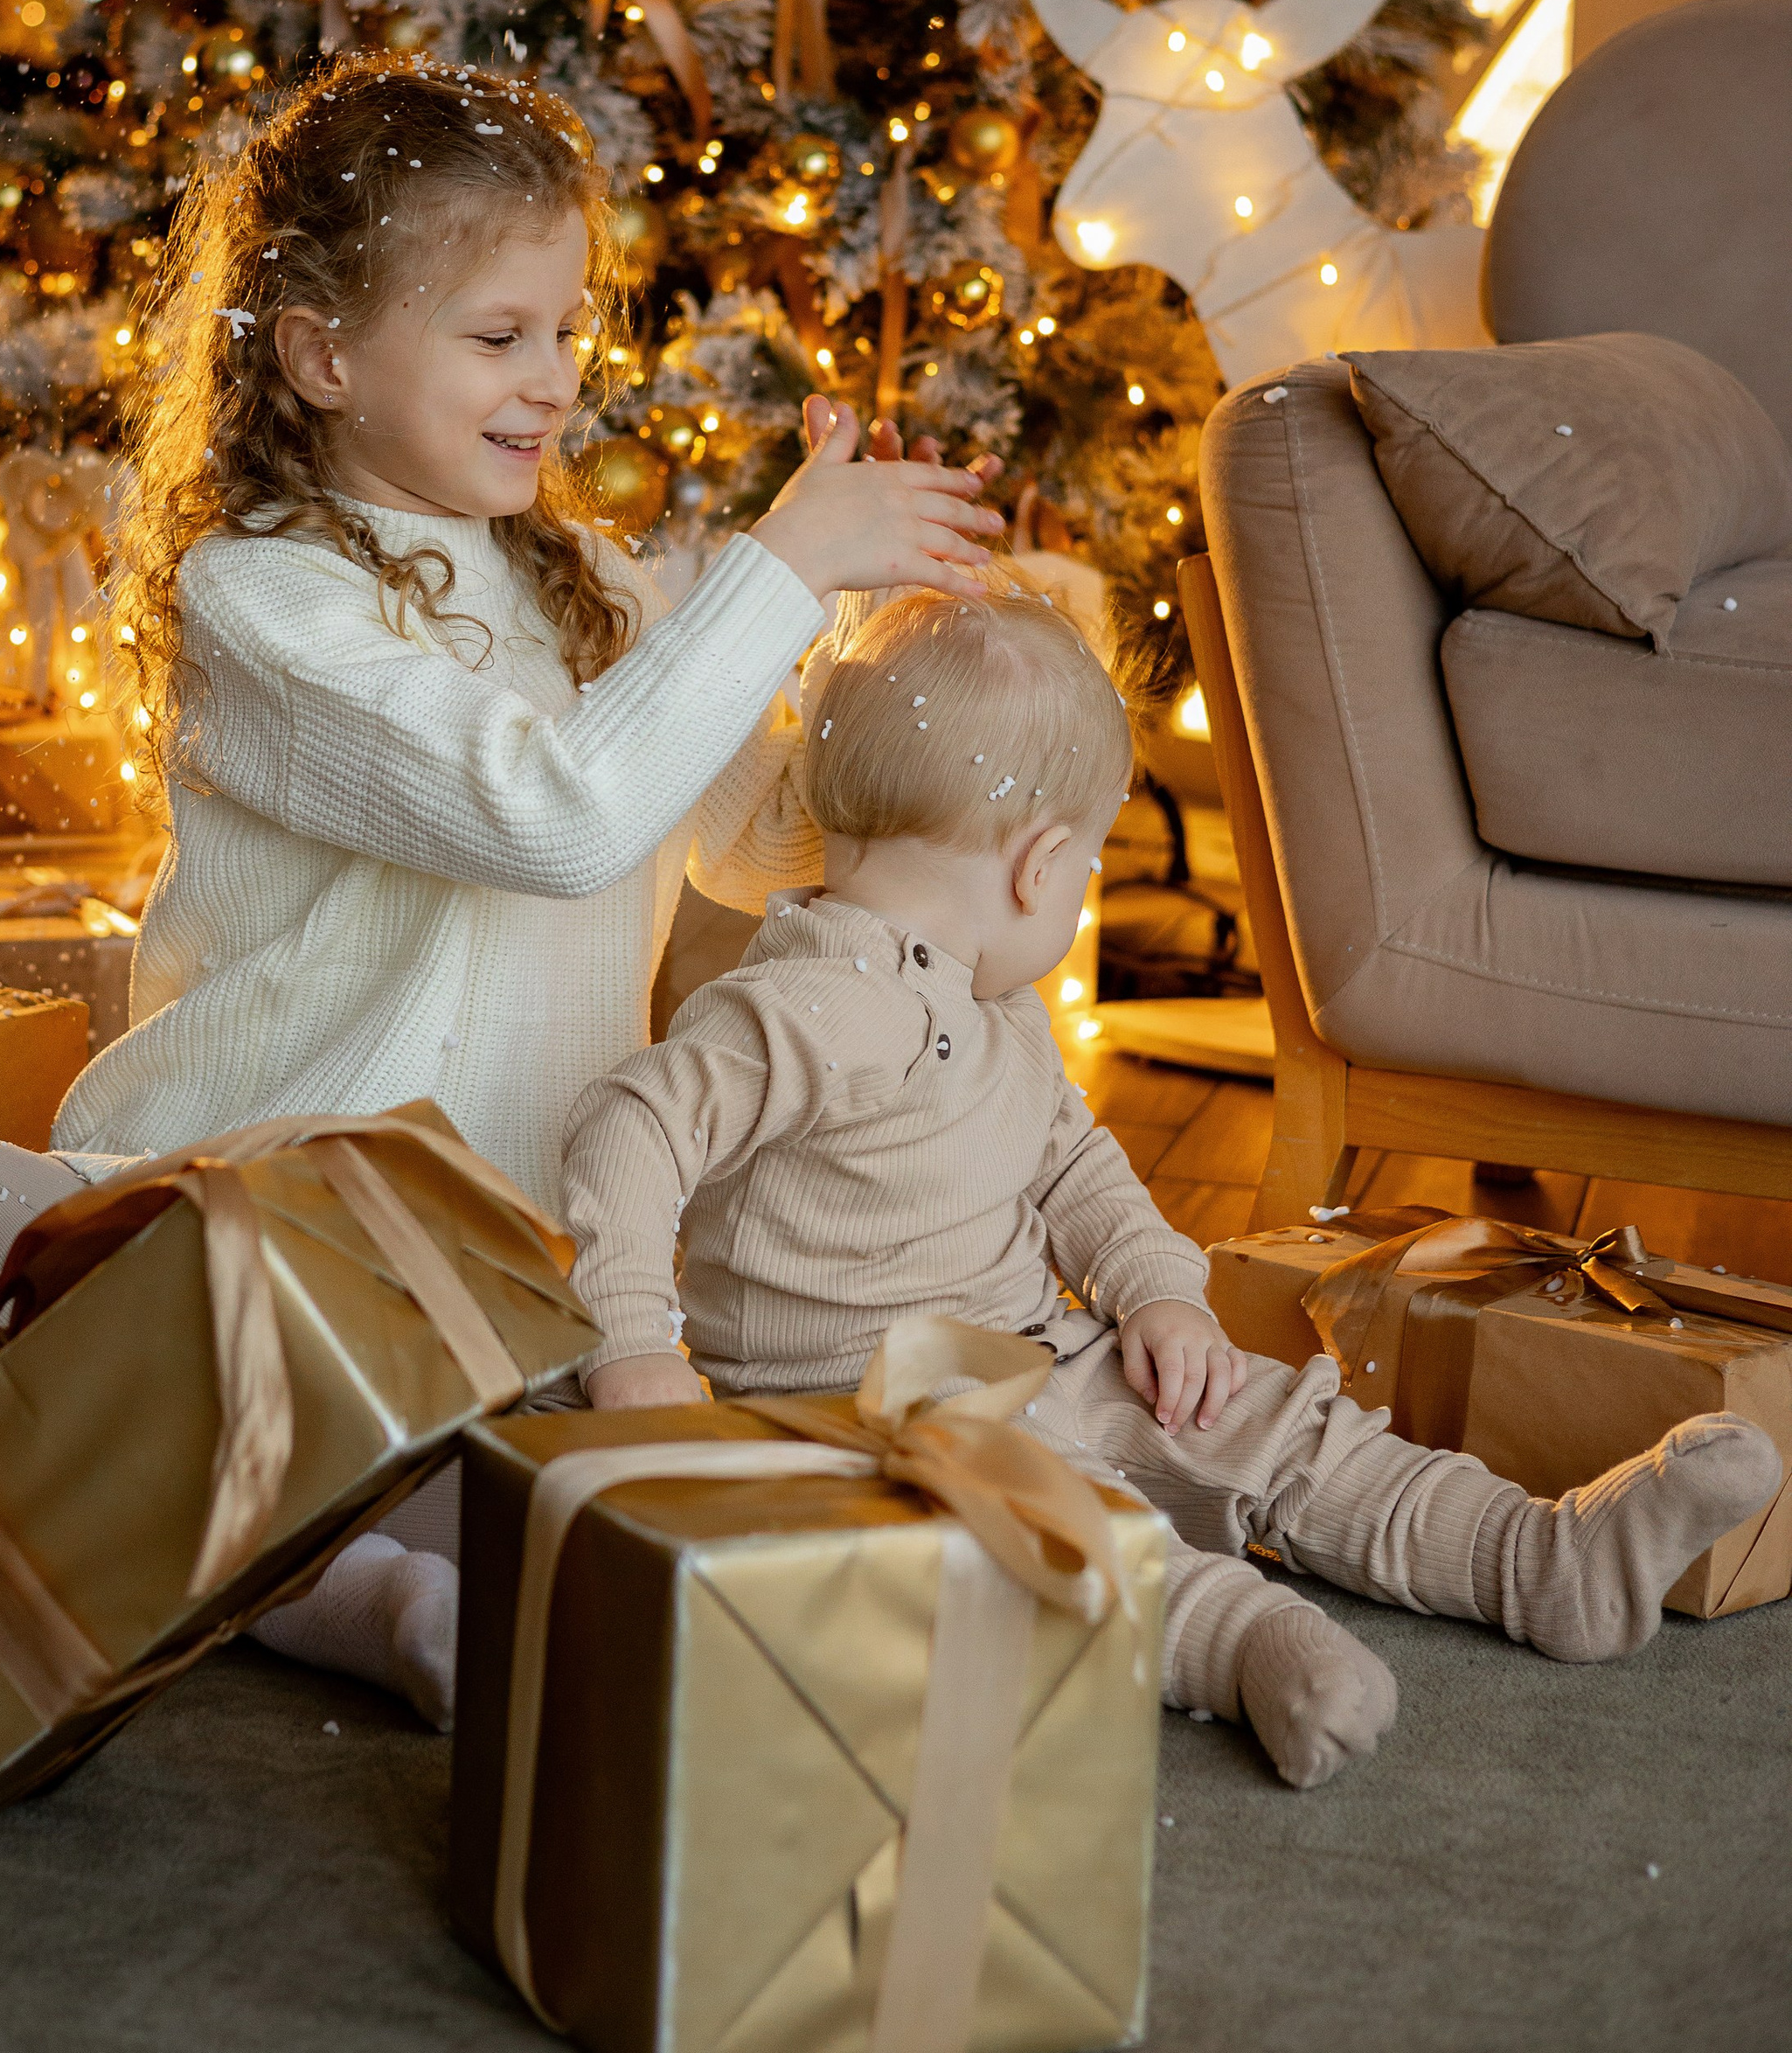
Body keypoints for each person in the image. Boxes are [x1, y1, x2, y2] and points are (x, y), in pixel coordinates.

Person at [0, 53, 1000, 1721]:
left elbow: (754, 845)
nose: (556, 382)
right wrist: (776, 569)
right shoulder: (266, 604)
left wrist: (849, 656)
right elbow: (557, 816)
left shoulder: (595, 581)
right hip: (208, 1221)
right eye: (499, 336)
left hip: (484, 1289)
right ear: (322, 355)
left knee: (528, 1482)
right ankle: (288, 1570)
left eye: (570, 332)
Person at [559, 581, 1782, 1789]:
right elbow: (629, 1126)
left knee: (1277, 1425)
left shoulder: (994, 1005)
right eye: (1091, 863)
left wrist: (1159, 1296)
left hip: (1040, 1349)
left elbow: (1074, 1160)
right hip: (860, 1416)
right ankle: (1249, 1645)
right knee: (1057, 1529)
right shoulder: (812, 1005)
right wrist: (633, 1345)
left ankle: (1538, 1561)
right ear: (1042, 868)